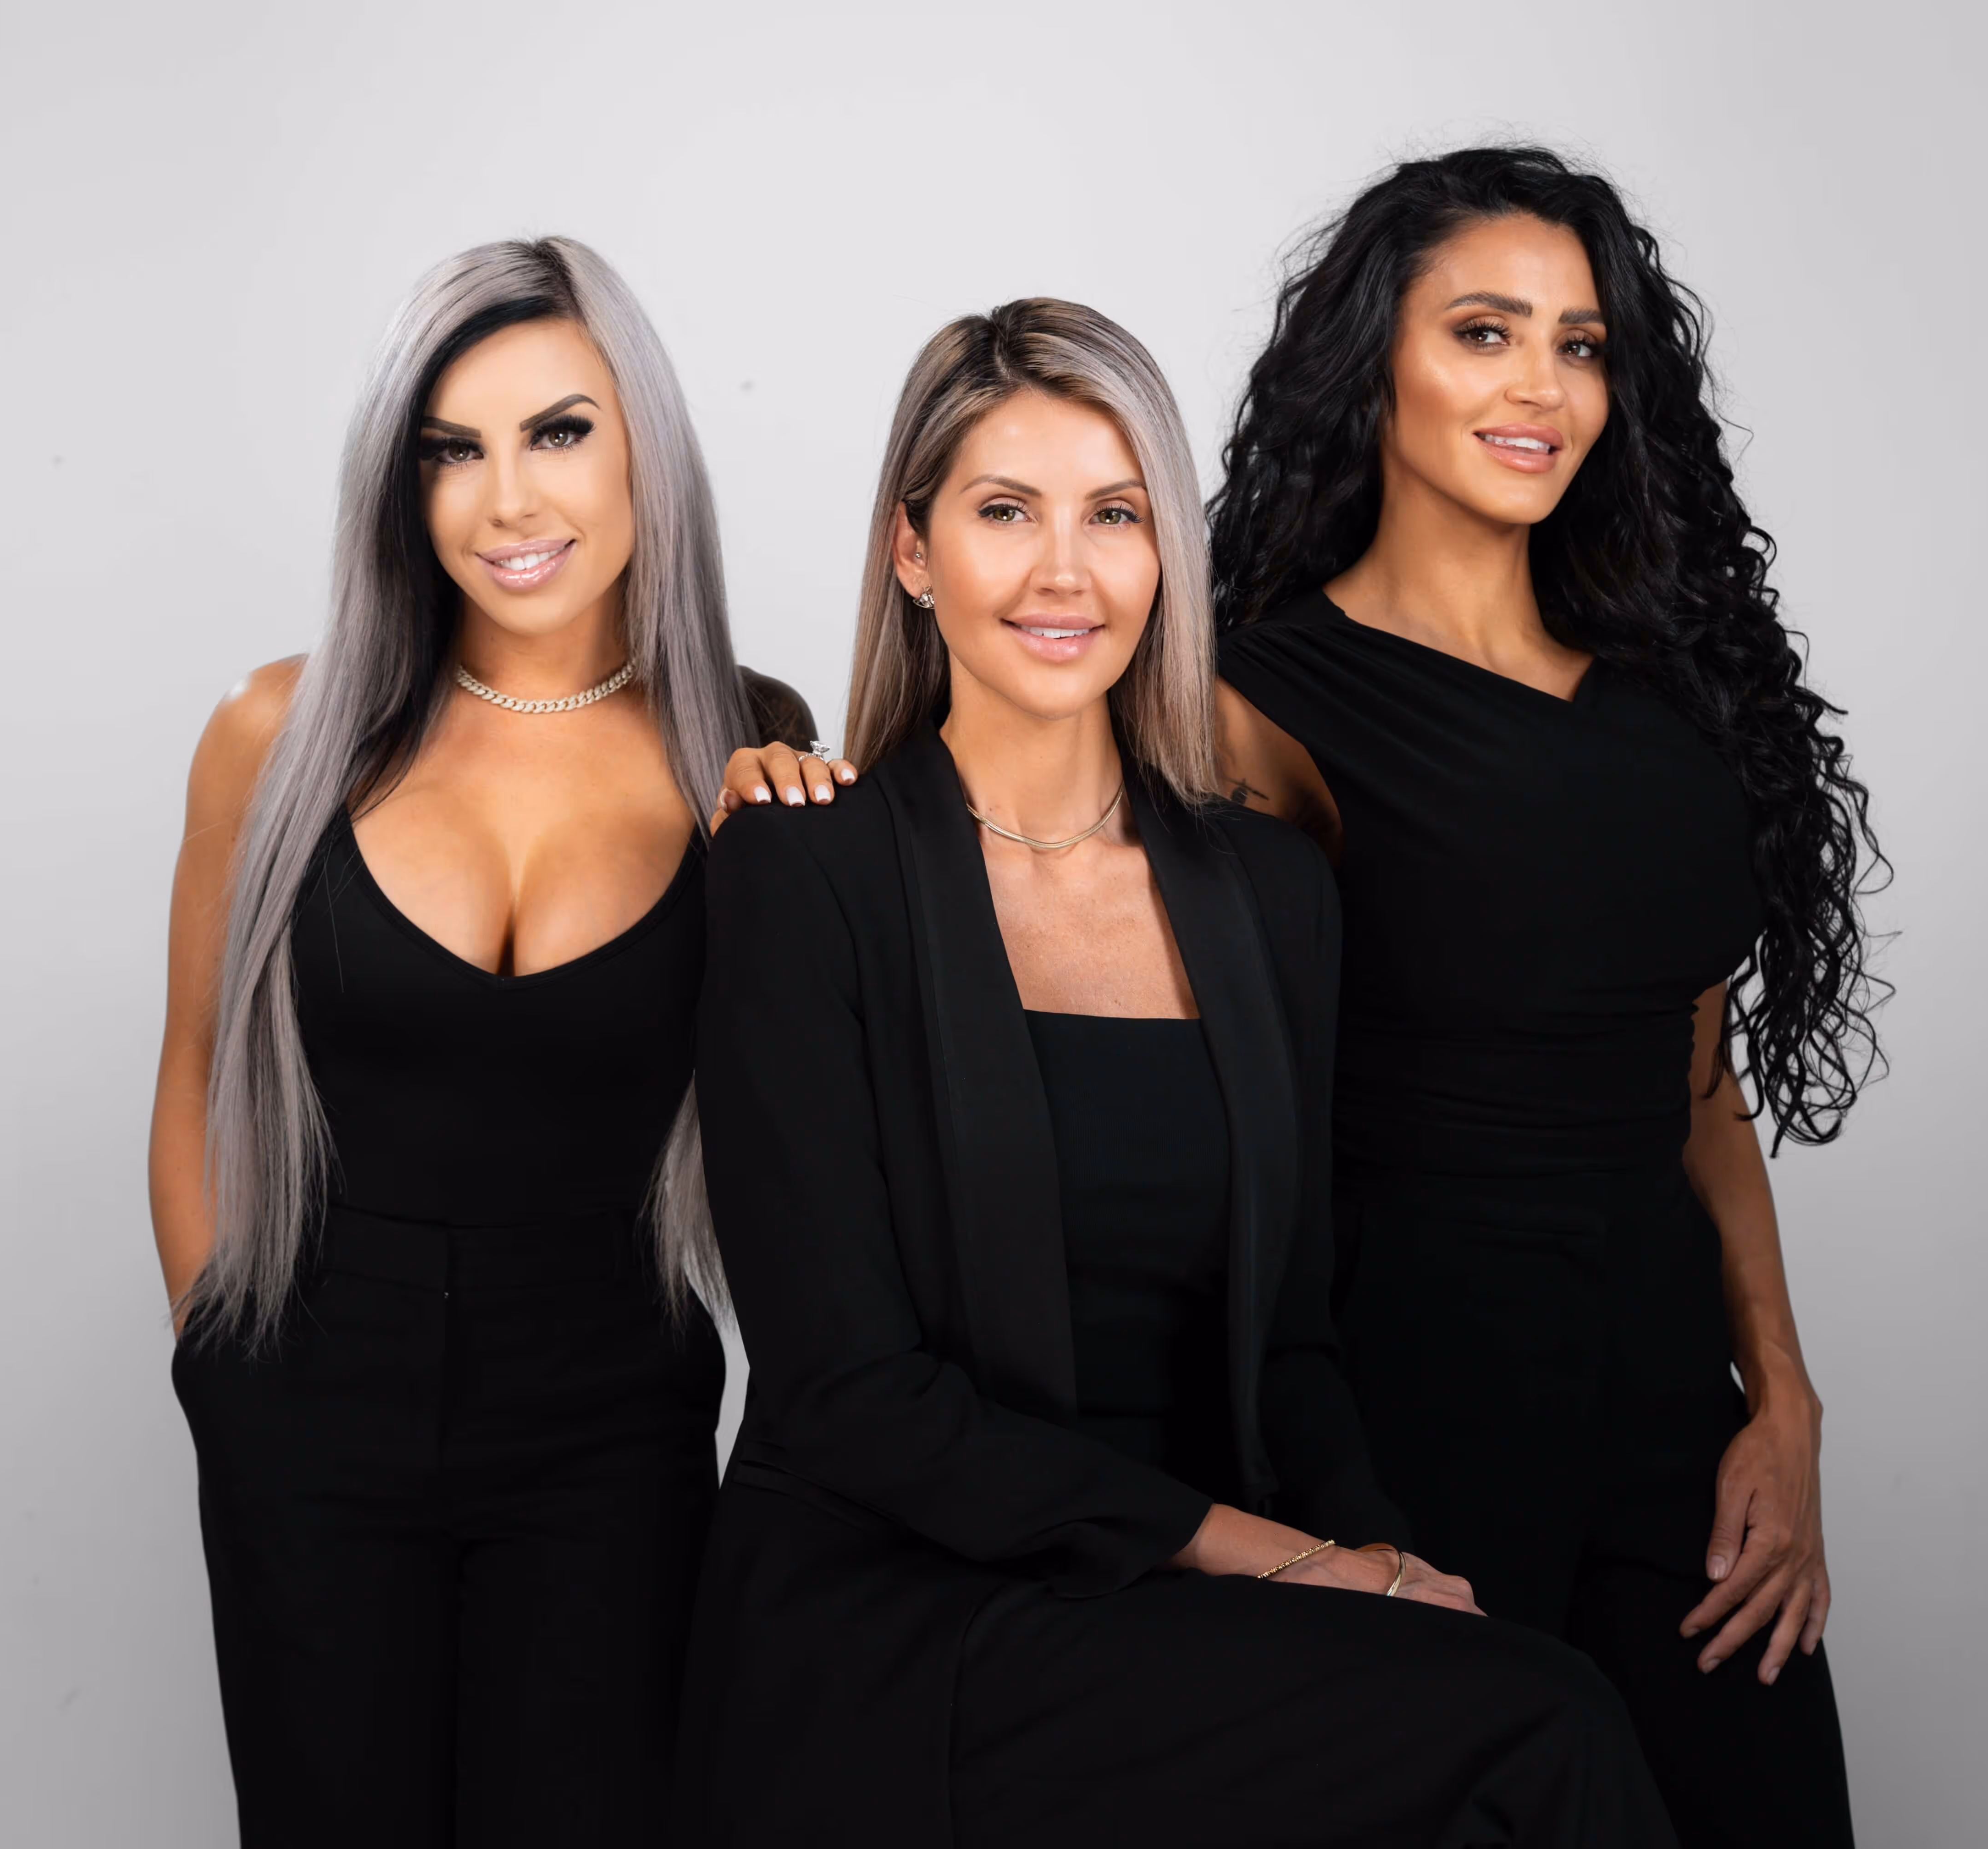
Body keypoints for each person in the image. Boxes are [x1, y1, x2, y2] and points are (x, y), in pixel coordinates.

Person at [683, 297, 1676, 1847]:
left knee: (1517, 1695)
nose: (1065, 572)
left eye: (1116, 514)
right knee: (1545, 1735)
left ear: (1166, 556)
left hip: (1183, 1606)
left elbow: (1293, 1350)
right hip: (913, 1616)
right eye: (1005, 512)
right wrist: (1272, 1560)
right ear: (913, 552)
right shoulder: (804, 874)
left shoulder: (1269, 893)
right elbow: (847, 1397)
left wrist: (1387, 1568)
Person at [1206, 148, 1876, 1847]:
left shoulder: (1667, 693)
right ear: (1373, 364)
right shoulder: (1253, 703)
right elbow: (1028, 881)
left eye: (1580, 346)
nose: (1542, 388)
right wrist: (794, 778)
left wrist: (1785, 1404)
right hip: (1413, 1417)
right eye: (1485, 332)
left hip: (1670, 1420)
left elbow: (1696, 1088)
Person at [146, 236, 812, 1845]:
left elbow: (811, 1128)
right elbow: (193, 1076)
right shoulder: (276, 735)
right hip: (309, 1402)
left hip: (613, 1420)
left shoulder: (751, 745)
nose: (508, 501)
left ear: (645, 445)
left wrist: (810, 849)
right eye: (453, 450)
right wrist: (220, 1374)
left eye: (559, 431)